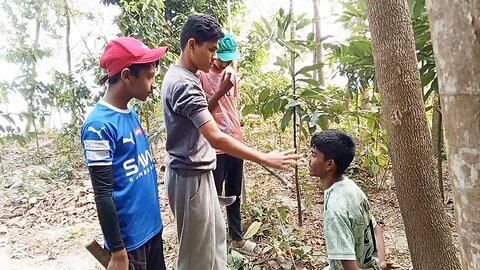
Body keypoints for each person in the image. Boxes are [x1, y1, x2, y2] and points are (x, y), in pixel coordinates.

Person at [160, 14, 300, 270]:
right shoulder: (184, 84)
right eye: (211, 49)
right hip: (190, 177)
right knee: (195, 258)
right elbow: (215, 135)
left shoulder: (184, 75)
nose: (216, 56)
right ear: (192, 45)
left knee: (214, 245)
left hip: (197, 172)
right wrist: (264, 157)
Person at [81, 36, 168, 270]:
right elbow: (103, 194)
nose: (153, 85)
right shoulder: (98, 127)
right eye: (149, 77)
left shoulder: (129, 112)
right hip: (131, 241)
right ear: (127, 75)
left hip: (151, 228)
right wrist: (118, 252)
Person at [198, 32, 260, 256]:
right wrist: (220, 90)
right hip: (215, 144)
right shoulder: (201, 75)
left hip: (235, 140)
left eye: (228, 58)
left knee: (234, 193)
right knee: (213, 195)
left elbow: (230, 107)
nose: (224, 62)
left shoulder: (232, 73)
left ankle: (237, 238)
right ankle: (213, 242)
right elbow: (202, 110)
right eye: (221, 56)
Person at [308, 129, 401, 270]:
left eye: (314, 155)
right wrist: (380, 264)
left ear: (329, 165)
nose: (309, 159)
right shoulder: (351, 187)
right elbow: (376, 229)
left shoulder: (334, 210)